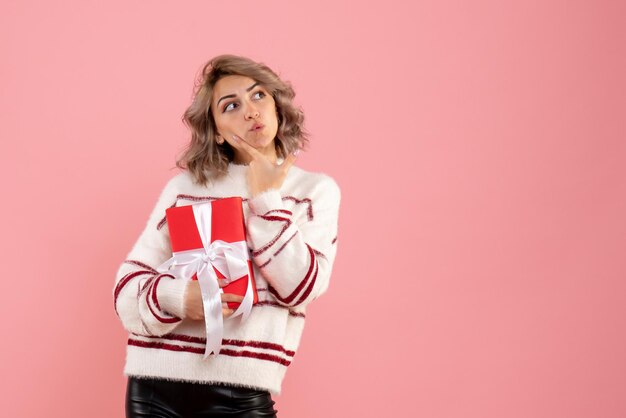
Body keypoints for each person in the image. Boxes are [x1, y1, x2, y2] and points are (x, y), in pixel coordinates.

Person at [113, 54, 341, 417]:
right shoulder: (184, 188)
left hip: (241, 394)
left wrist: (266, 200)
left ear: (277, 106)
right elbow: (127, 288)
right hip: (154, 387)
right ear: (216, 129)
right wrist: (176, 297)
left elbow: (301, 288)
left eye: (258, 96)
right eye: (231, 105)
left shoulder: (314, 191)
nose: (250, 111)